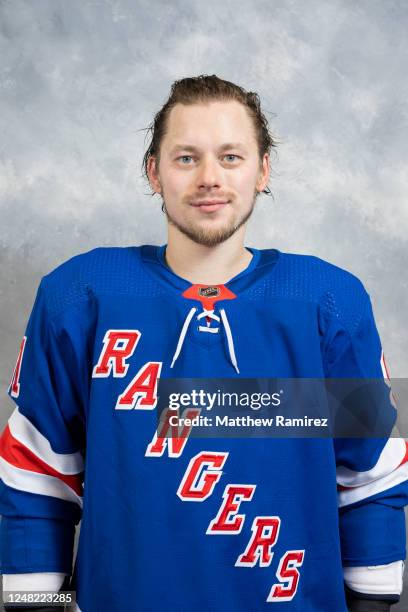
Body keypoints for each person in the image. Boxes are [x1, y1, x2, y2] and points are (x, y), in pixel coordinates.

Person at [0, 74, 407, 612]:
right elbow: (38, 473)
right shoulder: (81, 296)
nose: (210, 178)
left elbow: (367, 474)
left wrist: (374, 603)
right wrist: (33, 605)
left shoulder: (328, 302)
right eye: (186, 158)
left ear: (263, 170)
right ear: (154, 172)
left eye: (231, 157)